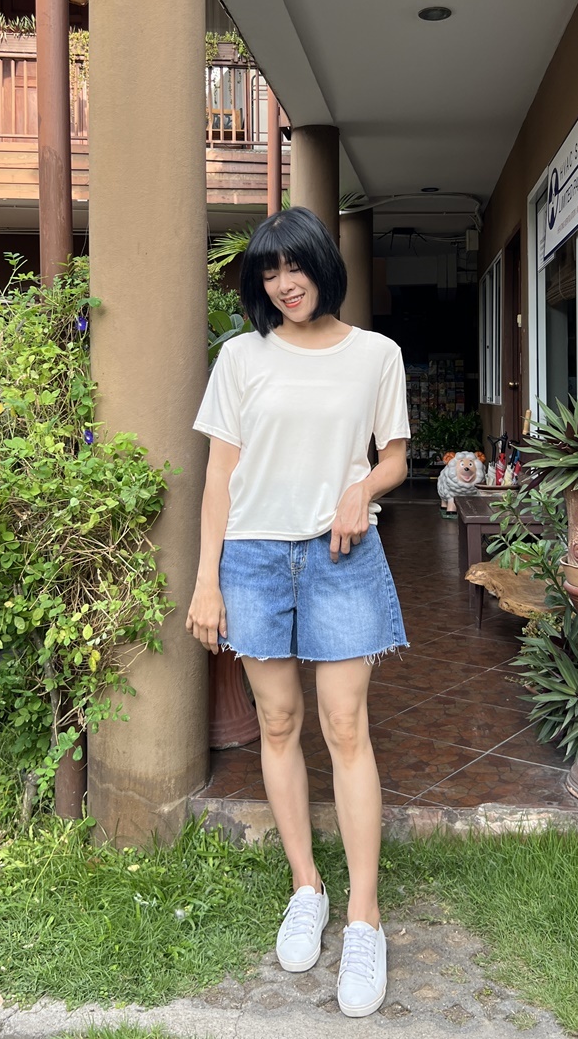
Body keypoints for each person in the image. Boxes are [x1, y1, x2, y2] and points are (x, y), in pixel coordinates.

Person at [186, 206, 410, 1018]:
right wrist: (206, 581)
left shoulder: (375, 355)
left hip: (340, 555)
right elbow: (219, 477)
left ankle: (364, 918)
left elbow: (396, 457)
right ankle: (306, 886)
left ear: (323, 265)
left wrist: (362, 489)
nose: (285, 284)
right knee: (278, 723)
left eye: (296, 266)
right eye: (269, 272)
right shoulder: (241, 358)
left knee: (345, 727)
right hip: (251, 559)